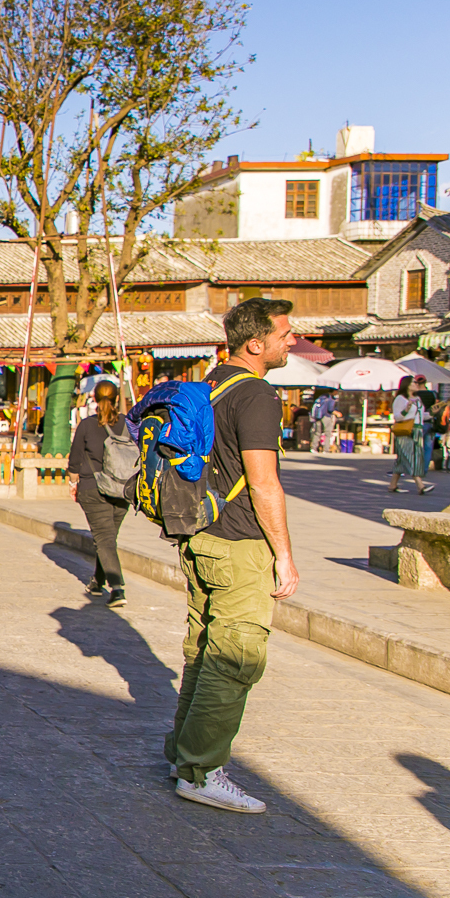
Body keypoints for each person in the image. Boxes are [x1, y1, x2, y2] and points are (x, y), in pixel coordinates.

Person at [165, 298, 299, 815]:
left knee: (203, 651)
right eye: (286, 334)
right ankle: (202, 771)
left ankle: (184, 756)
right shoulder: (258, 394)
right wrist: (283, 555)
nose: (293, 341)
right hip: (240, 542)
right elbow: (263, 482)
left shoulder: (209, 386)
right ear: (256, 343)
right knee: (236, 657)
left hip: (201, 536)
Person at [68, 381, 130, 607]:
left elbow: (74, 461)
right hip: (123, 490)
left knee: (104, 539)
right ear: (116, 397)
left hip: (93, 489)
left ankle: (117, 589)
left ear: (94, 397)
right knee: (107, 538)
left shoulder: (86, 425)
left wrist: (73, 483)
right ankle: (97, 582)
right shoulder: (129, 425)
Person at [388, 376, 435, 496]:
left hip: (418, 429)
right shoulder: (400, 399)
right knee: (410, 457)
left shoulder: (417, 399)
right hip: (406, 430)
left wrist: (432, 413)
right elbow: (398, 417)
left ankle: (393, 485)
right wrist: (406, 409)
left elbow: (420, 416)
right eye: (414, 382)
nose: (416, 384)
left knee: (403, 459)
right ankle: (420, 485)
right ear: (407, 385)